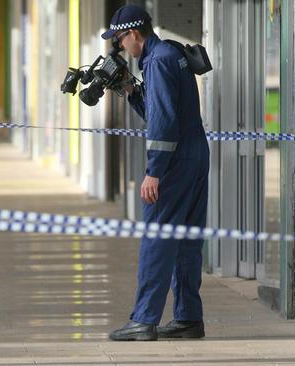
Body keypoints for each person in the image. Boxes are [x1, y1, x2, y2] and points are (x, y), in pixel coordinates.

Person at [103, 4, 210, 341]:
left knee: (158, 239)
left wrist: (154, 172)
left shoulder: (158, 61)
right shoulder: (168, 53)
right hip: (194, 154)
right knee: (187, 240)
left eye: (120, 40)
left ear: (134, 34)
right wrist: (132, 91)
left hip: (175, 161)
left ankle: (144, 320)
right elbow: (162, 110)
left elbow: (163, 124)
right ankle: (189, 318)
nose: (120, 47)